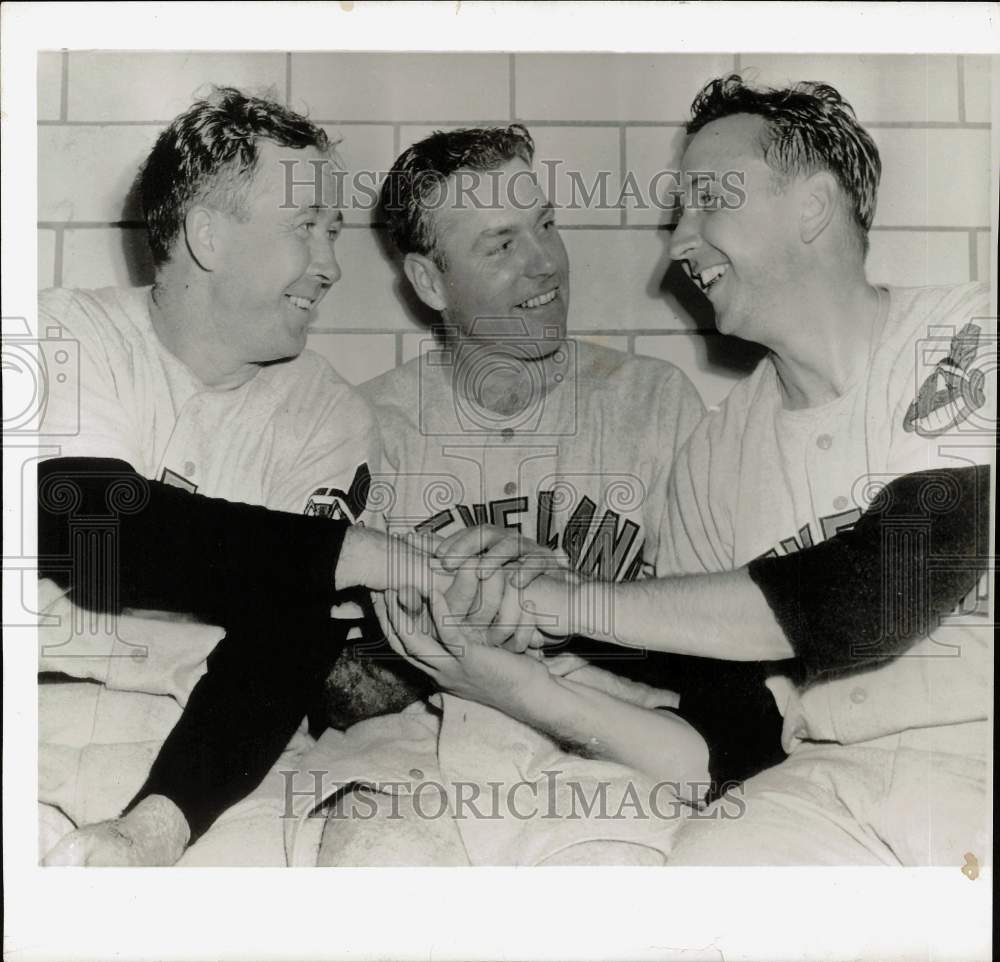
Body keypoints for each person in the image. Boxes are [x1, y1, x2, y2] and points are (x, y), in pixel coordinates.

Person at [485, 75, 993, 865]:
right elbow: (732, 736)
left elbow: (891, 584)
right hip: (826, 781)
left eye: (706, 201)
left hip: (981, 762)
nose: (679, 245)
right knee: (706, 878)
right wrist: (514, 673)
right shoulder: (711, 461)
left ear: (813, 208)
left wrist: (566, 601)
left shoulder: (968, 336)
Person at [38, 86, 435, 866]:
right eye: (305, 230)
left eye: (332, 233)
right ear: (209, 236)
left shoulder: (326, 410)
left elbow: (286, 642)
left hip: (211, 756)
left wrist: (151, 830)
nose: (329, 267)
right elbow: (98, 530)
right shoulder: (64, 331)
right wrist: (365, 554)